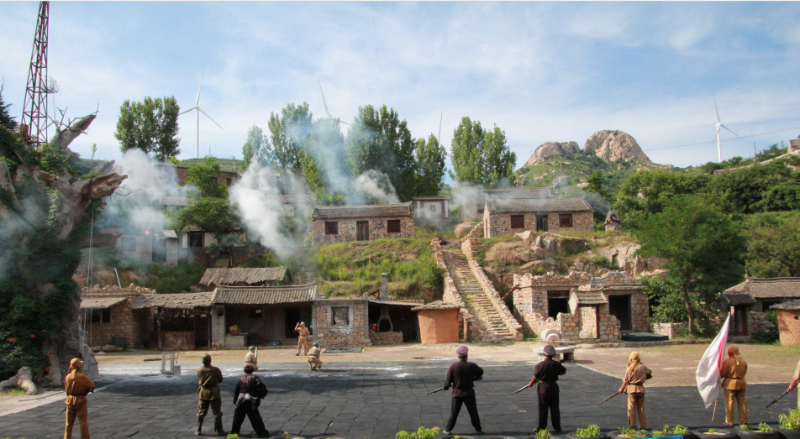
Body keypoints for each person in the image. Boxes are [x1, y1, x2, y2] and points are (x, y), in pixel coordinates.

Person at [443, 346, 483, 435]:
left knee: (454, 413)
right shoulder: (472, 366)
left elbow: (448, 381)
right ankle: (478, 429)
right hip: (469, 393)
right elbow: (481, 372)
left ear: (458, 356)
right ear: (466, 356)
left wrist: (446, 387)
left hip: (457, 393)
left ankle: (448, 429)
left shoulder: (453, 366)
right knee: (473, 412)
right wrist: (475, 377)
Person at [526, 344, 567, 433]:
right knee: (555, 408)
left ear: (544, 354)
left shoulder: (540, 365)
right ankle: (557, 427)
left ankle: (541, 427)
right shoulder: (557, 364)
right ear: (553, 354)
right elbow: (563, 372)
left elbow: (535, 377)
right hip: (554, 387)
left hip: (543, 388)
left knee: (543, 408)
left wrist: (531, 384)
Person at [230, 365, 270, 438]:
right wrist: (262, 394)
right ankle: (262, 433)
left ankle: (234, 432)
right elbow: (261, 386)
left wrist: (235, 401)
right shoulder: (255, 378)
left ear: (244, 371)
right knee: (255, 418)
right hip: (251, 400)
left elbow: (237, 390)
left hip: (241, 399)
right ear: (252, 371)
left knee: (238, 418)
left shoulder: (241, 378)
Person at [618, 351, 652, 429]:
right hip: (641, 389)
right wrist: (644, 376)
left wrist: (621, 389)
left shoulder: (629, 369)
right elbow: (649, 371)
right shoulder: (643, 366)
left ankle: (632, 425)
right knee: (641, 408)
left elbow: (626, 381)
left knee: (631, 408)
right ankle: (643, 425)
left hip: (632, 390)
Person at [196, 353, 227, 436]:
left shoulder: (199, 370)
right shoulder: (215, 370)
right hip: (214, 392)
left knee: (201, 411)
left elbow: (199, 377)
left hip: (203, 392)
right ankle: (220, 430)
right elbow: (220, 379)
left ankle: (198, 430)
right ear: (210, 360)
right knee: (217, 412)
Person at [63, 358, 94, 439]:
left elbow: (67, 391)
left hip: (70, 400)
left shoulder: (67, 377)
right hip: (80, 400)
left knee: (68, 423)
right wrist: (86, 391)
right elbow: (91, 385)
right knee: (83, 422)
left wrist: (69, 398)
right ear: (78, 366)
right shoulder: (81, 377)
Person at [720, 345, 748, 426]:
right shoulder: (743, 362)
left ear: (730, 353)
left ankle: (729, 421)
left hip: (730, 384)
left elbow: (723, 374)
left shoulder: (728, 362)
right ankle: (744, 420)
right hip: (742, 383)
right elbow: (745, 371)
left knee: (729, 402)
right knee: (742, 402)